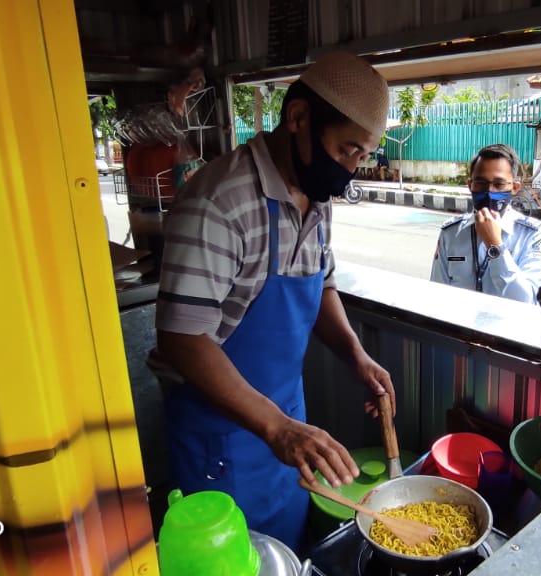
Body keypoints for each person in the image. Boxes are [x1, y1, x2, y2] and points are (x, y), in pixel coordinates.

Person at [150, 51, 396, 551]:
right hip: (219, 442)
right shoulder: (219, 202)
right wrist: (276, 428)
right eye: (347, 149)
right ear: (299, 118)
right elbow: (181, 337)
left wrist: (355, 354)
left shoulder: (316, 195)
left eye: (363, 155)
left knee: (290, 553)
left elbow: (320, 282)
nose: (352, 169)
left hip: (287, 427)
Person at [430, 144, 541, 305]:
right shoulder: (451, 233)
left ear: (514, 188)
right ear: (470, 185)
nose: (489, 192)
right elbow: (438, 294)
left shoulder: (533, 235)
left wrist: (495, 246)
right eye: (481, 183)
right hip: (457, 328)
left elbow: (527, 301)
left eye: (499, 185)